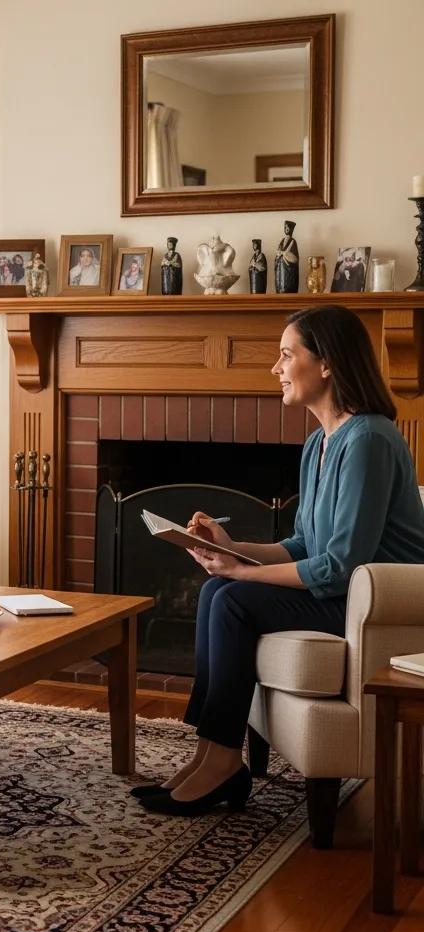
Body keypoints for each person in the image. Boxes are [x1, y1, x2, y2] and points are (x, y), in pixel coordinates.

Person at [134, 305, 424, 817]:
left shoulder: (370, 439)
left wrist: (243, 572)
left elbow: (338, 566)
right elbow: (301, 545)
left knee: (233, 599)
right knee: (215, 590)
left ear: (327, 363)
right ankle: (211, 752)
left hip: (371, 606)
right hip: (340, 590)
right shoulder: (319, 444)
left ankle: (224, 761)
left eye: (287, 355)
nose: (276, 368)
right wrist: (230, 547)